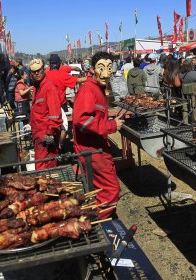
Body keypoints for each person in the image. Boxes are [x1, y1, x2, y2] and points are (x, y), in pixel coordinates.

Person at [72, 52, 124, 219]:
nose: (106, 73)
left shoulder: (97, 88)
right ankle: (99, 221)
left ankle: (95, 215)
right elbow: (82, 120)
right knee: (111, 190)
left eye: (109, 68)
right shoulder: (89, 90)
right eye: (101, 68)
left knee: (99, 188)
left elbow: (93, 116)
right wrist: (111, 125)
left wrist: (108, 119)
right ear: (93, 69)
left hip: (95, 146)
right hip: (92, 149)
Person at [29, 58, 62, 170]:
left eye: (39, 70)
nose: (37, 73)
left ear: (44, 69)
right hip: (38, 134)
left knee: (45, 167)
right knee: (42, 167)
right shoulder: (36, 87)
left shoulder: (49, 88)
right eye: (34, 71)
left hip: (46, 135)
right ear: (31, 74)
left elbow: (55, 114)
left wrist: (50, 133)